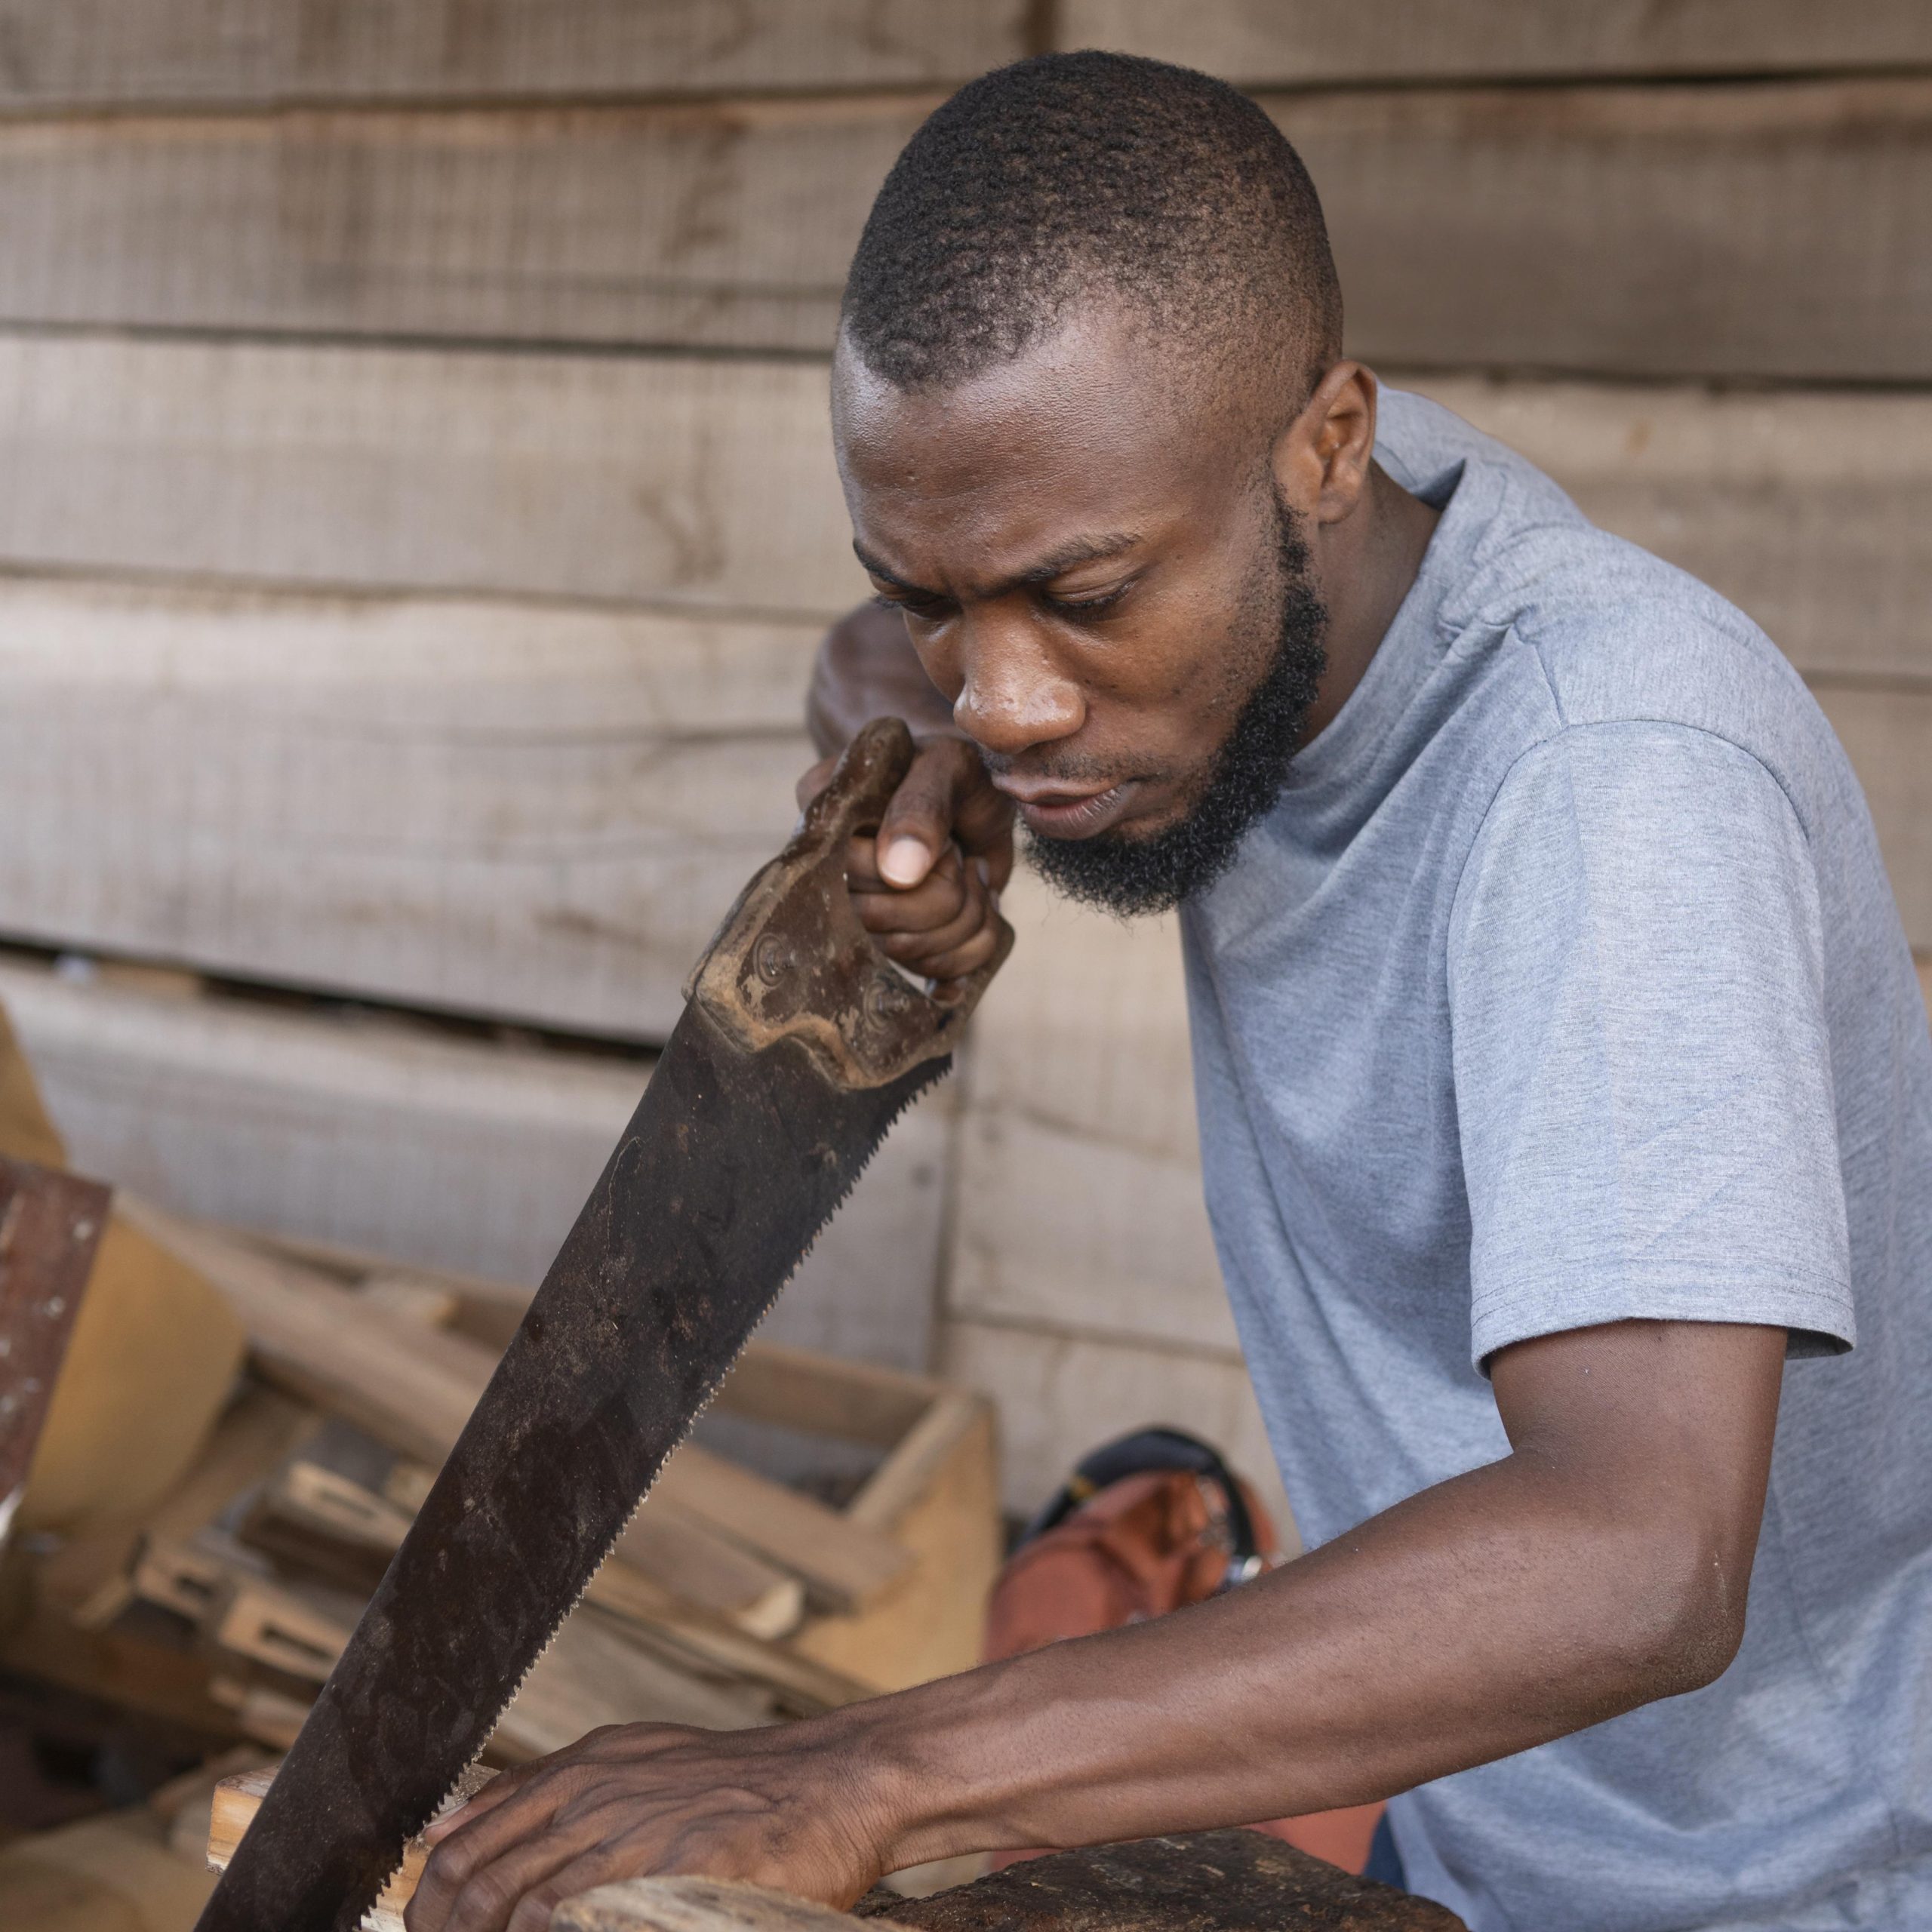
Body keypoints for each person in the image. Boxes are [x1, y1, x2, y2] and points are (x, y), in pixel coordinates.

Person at [408, 53, 1932, 1932]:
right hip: (1493, 1837)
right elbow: (932, 622)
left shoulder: (1610, 785)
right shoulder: (1229, 495)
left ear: (1323, 448)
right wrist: (907, 755)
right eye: (933, 598)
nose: (1014, 695)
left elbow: (1636, 1554)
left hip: (1799, 1884)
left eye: (1085, 599)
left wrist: (858, 1767)